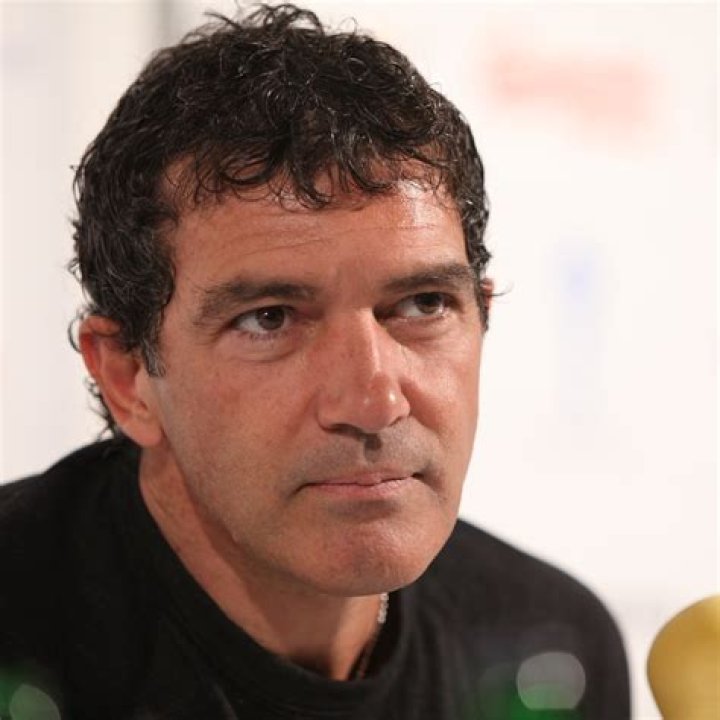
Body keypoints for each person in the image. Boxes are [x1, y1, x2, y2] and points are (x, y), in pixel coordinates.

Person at [0, 5, 630, 718]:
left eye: (423, 304)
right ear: (128, 378)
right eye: (269, 319)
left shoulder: (546, 653)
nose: (374, 402)